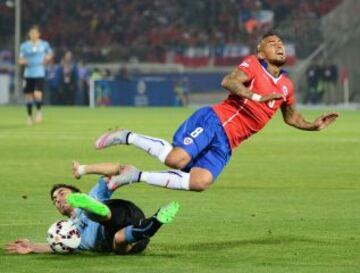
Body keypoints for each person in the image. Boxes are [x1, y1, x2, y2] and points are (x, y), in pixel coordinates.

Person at [93, 31, 339, 193]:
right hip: (216, 121)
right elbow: (229, 82)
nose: (279, 46)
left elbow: (291, 117)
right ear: (261, 52)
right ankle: (126, 136)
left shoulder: (287, 85)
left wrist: (313, 126)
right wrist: (257, 96)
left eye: (281, 44)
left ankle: (134, 175)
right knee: (176, 160)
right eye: (272, 43)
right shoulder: (253, 65)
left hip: (229, 143)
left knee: (200, 182)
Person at [5, 161, 180, 255]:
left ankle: (94, 208)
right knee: (118, 243)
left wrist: (84, 169)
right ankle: (155, 221)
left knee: (100, 213)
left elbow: (118, 168)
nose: (58, 199)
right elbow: (56, 246)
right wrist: (33, 246)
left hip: (120, 212)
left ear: (76, 193)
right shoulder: (66, 231)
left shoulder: (94, 193)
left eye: (62, 193)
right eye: (54, 200)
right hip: (133, 237)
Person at [19, 25, 53, 125]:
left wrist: (47, 58)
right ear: (29, 34)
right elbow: (20, 59)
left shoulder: (44, 44)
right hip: (28, 73)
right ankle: (29, 117)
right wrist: (23, 61)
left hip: (39, 72)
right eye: (31, 33)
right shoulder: (24, 46)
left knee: (38, 94)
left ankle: (38, 112)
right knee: (29, 96)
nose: (33, 35)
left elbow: (50, 53)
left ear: (38, 34)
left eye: (35, 33)